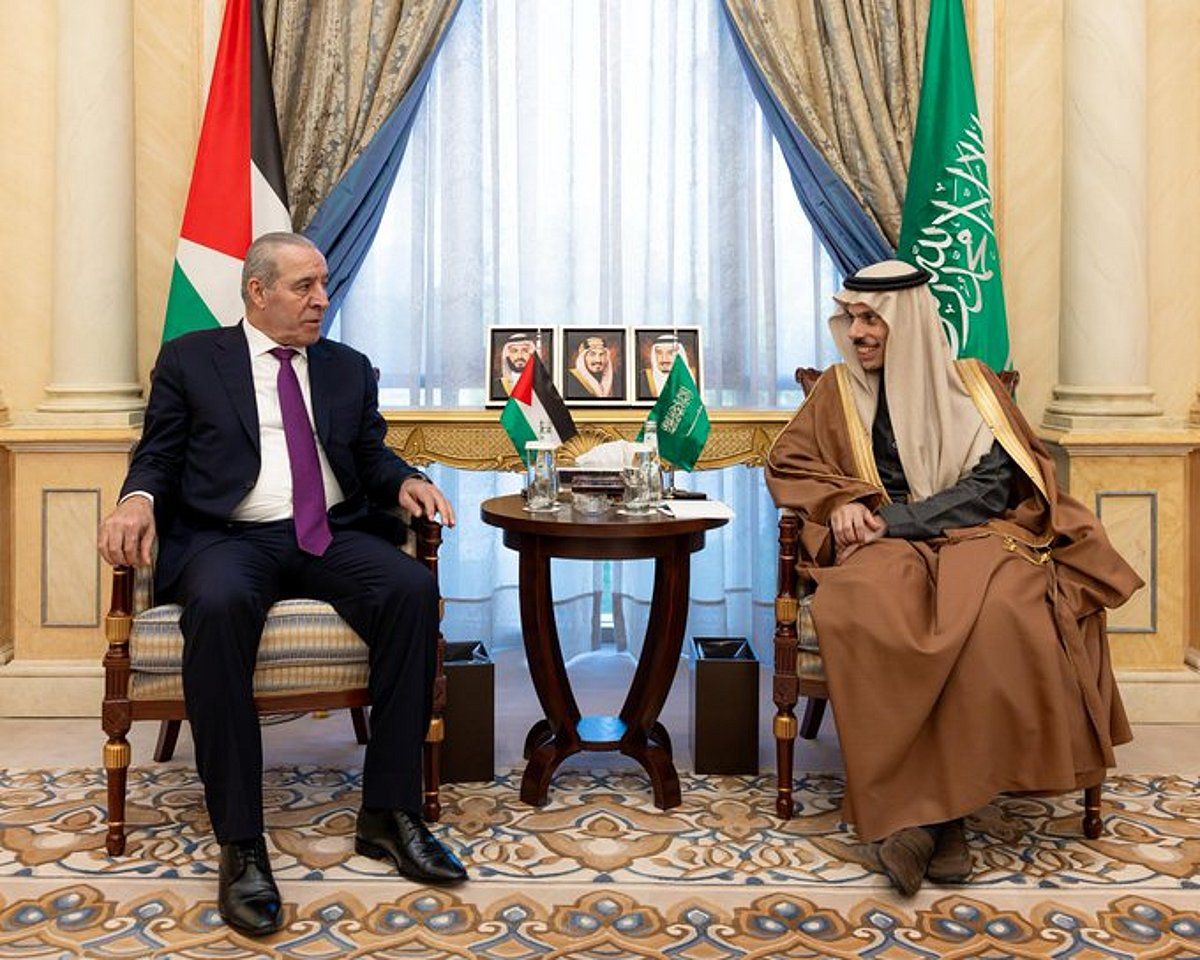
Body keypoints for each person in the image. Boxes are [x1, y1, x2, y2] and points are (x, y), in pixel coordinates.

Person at [97, 232, 467, 937]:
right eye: (305, 286)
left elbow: (371, 454)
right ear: (258, 291)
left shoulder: (347, 367)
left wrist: (407, 481)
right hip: (228, 536)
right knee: (218, 602)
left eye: (323, 284)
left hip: (328, 532)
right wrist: (136, 501)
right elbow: (159, 455)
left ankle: (389, 814)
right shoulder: (191, 360)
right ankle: (241, 842)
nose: (322, 299)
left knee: (410, 591)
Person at [765, 259, 1141, 897]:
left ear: (908, 322)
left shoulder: (976, 386)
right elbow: (789, 463)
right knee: (862, 604)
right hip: (880, 541)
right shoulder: (836, 390)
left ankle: (926, 820)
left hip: (974, 532)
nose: (857, 333)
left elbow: (995, 485)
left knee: (1004, 607)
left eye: (871, 319)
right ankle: (943, 820)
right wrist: (842, 501)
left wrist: (900, 521)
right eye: (850, 317)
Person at [565, 334, 618, 399]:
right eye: (592, 354)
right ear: (583, 358)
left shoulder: (615, 379)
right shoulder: (571, 378)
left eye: (601, 354)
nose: (598, 360)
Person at [642, 334, 691, 398]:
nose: (664, 359)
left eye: (671, 353)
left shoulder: (692, 377)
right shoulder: (644, 378)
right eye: (659, 353)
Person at [493, 331, 537, 398]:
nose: (519, 356)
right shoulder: (497, 386)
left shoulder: (541, 385)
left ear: (531, 354)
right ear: (507, 355)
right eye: (514, 351)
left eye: (525, 350)